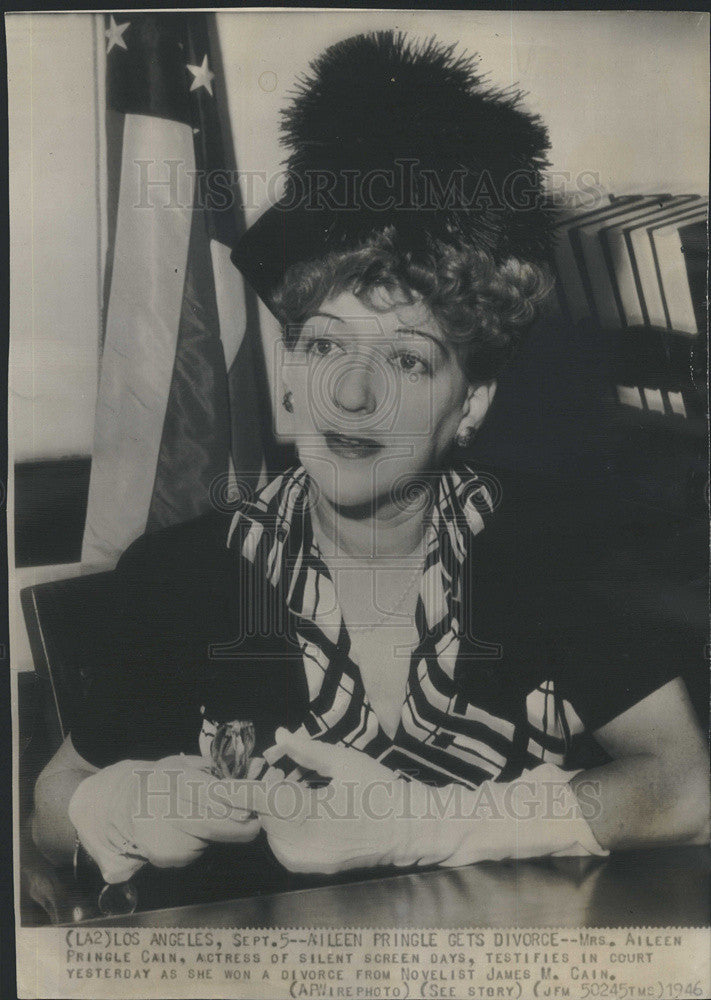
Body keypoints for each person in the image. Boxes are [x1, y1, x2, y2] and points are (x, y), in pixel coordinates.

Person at [32, 30, 708, 884]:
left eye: (405, 359)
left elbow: (684, 785)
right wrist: (124, 806)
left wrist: (439, 823)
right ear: (288, 372)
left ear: (470, 404)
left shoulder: (552, 550)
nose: (349, 396)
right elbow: (53, 806)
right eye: (321, 347)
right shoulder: (186, 572)